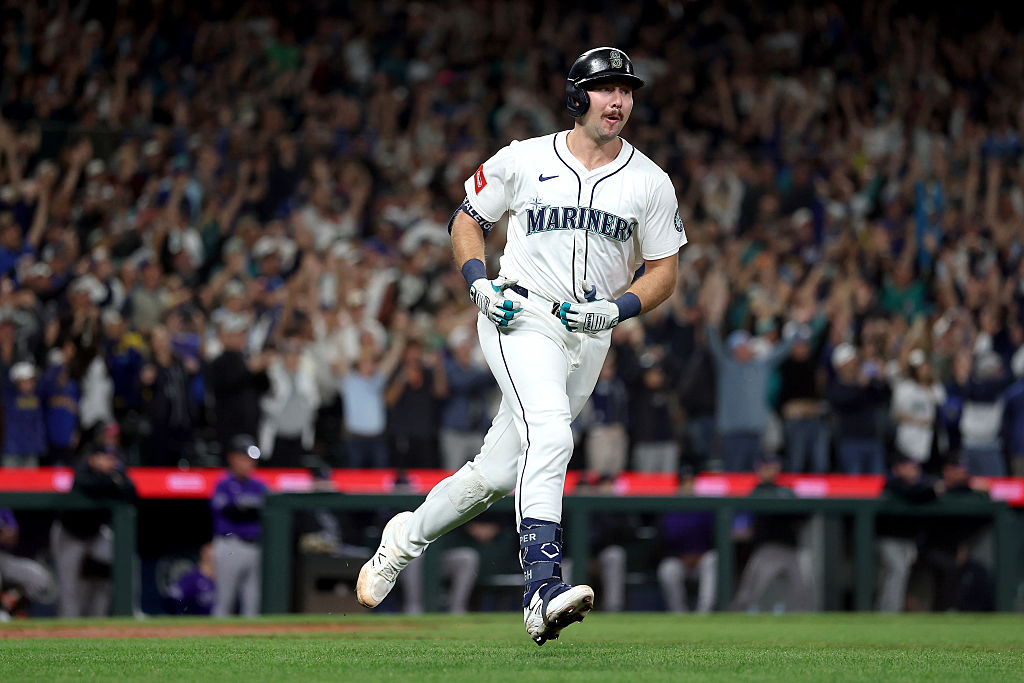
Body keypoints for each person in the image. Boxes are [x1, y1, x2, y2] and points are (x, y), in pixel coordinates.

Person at [356, 47, 685, 645]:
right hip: (520, 312)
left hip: (591, 331)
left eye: (627, 90)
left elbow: (664, 270)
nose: (618, 100)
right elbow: (467, 218)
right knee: (554, 433)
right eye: (606, 88)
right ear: (577, 96)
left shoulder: (650, 180)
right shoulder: (525, 157)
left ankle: (401, 541)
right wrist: (478, 282)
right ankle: (541, 587)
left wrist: (615, 308)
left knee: (495, 475)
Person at [50, 442, 137, 617]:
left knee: (125, 559)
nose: (109, 461)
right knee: (70, 589)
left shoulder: (116, 472)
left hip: (95, 534)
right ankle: (67, 631)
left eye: (111, 457)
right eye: (104, 457)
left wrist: (113, 478)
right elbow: (91, 486)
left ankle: (118, 616)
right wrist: (112, 481)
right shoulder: (81, 470)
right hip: (70, 534)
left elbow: (132, 491)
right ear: (92, 458)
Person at [729, 453, 812, 613]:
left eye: (772, 466)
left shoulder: (787, 492)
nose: (769, 470)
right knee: (750, 594)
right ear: (758, 468)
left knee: (803, 593)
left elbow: (804, 514)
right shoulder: (754, 492)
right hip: (766, 550)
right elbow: (740, 524)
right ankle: (738, 621)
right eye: (765, 466)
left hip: (790, 550)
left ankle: (804, 625)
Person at [210, 434, 268, 617]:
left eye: (252, 460)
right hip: (230, 546)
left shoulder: (259, 485)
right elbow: (228, 510)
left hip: (254, 547)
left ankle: (251, 645)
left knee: (252, 603)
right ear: (232, 458)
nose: (249, 464)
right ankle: (213, 645)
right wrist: (247, 508)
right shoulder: (223, 483)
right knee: (224, 602)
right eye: (244, 458)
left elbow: (266, 510)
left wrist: (246, 507)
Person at [875, 455, 941, 612]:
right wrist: (933, 490)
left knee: (899, 574)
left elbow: (921, 492)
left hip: (908, 540)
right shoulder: (891, 485)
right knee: (896, 571)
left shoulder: (920, 485)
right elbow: (913, 495)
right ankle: (888, 611)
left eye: (915, 467)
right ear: (898, 469)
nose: (913, 471)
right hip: (888, 539)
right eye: (909, 467)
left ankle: (889, 609)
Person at [0, 507, 57, 619]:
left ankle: (7, 611)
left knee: (40, 579)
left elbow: (12, 538)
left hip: (5, 557)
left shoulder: (3, 508)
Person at [165, 542, 217, 616]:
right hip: (195, 622)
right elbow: (171, 599)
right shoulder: (192, 578)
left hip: (217, 623)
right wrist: (185, 611)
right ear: (204, 554)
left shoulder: (224, 580)